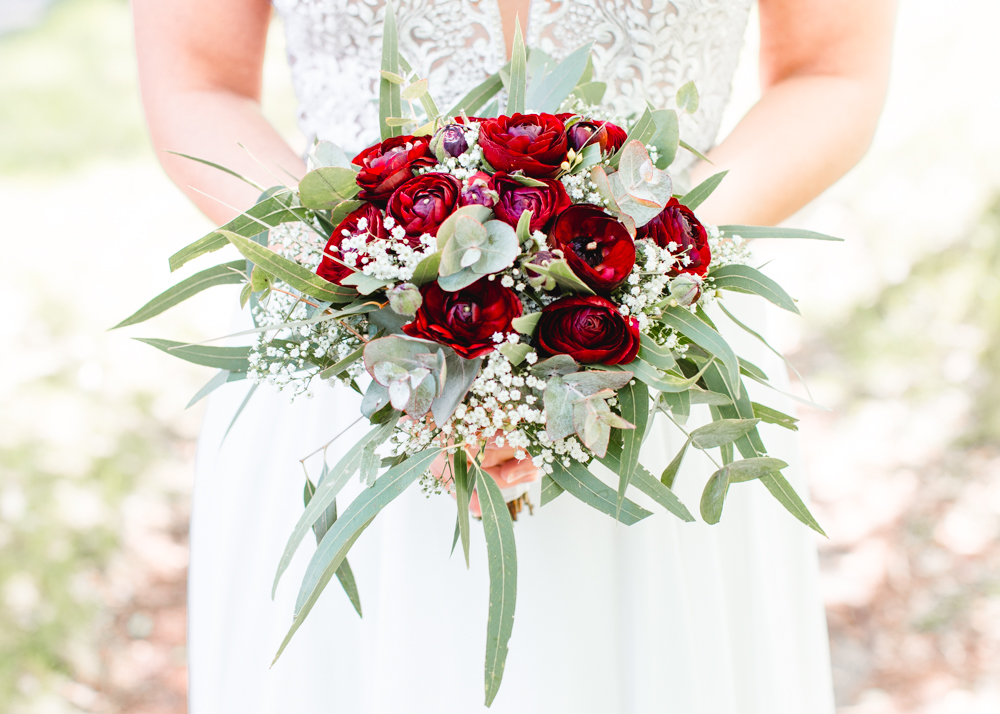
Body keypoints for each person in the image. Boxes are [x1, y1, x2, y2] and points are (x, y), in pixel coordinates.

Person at [133, 1, 897, 712]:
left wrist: (637, 271)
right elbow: (198, 80)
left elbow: (831, 68)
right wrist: (356, 290)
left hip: (657, 385)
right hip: (353, 373)